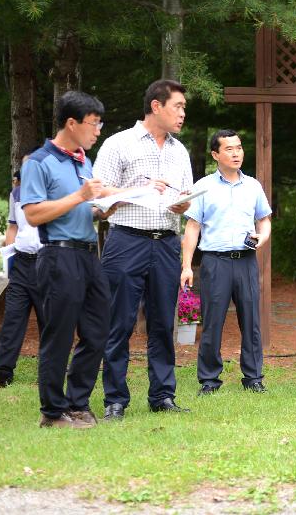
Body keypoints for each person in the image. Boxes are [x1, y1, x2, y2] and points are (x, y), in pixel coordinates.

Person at [94, 79, 194, 421]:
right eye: (178, 106)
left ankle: (163, 395)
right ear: (156, 106)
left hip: (166, 243)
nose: (182, 113)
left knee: (163, 322)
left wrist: (182, 206)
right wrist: (135, 188)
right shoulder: (118, 144)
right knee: (118, 321)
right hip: (126, 241)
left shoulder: (180, 151)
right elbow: (99, 196)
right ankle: (115, 399)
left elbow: (185, 196)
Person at [20, 90, 111, 429]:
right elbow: (32, 214)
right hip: (58, 256)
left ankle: (78, 403)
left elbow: (85, 205)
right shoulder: (38, 162)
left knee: (98, 331)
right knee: (58, 335)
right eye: (94, 123)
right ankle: (52, 412)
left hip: (89, 256)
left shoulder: (82, 160)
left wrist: (105, 206)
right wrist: (80, 196)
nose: (98, 130)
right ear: (71, 123)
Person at [181, 129, 272, 395]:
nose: (236, 153)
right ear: (215, 154)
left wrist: (262, 238)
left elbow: (264, 219)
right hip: (215, 262)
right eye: (229, 149)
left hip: (245, 261)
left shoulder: (253, 186)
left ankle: (253, 378)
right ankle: (209, 380)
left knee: (251, 322)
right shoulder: (203, 187)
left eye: (239, 148)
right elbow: (192, 227)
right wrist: (187, 265)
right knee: (212, 323)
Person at [0, 149, 45, 387]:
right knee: (13, 317)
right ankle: (2, 370)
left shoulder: (53, 193)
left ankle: (53, 368)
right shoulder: (16, 193)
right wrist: (10, 258)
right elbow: (13, 226)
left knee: (50, 320)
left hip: (47, 263)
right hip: (22, 263)